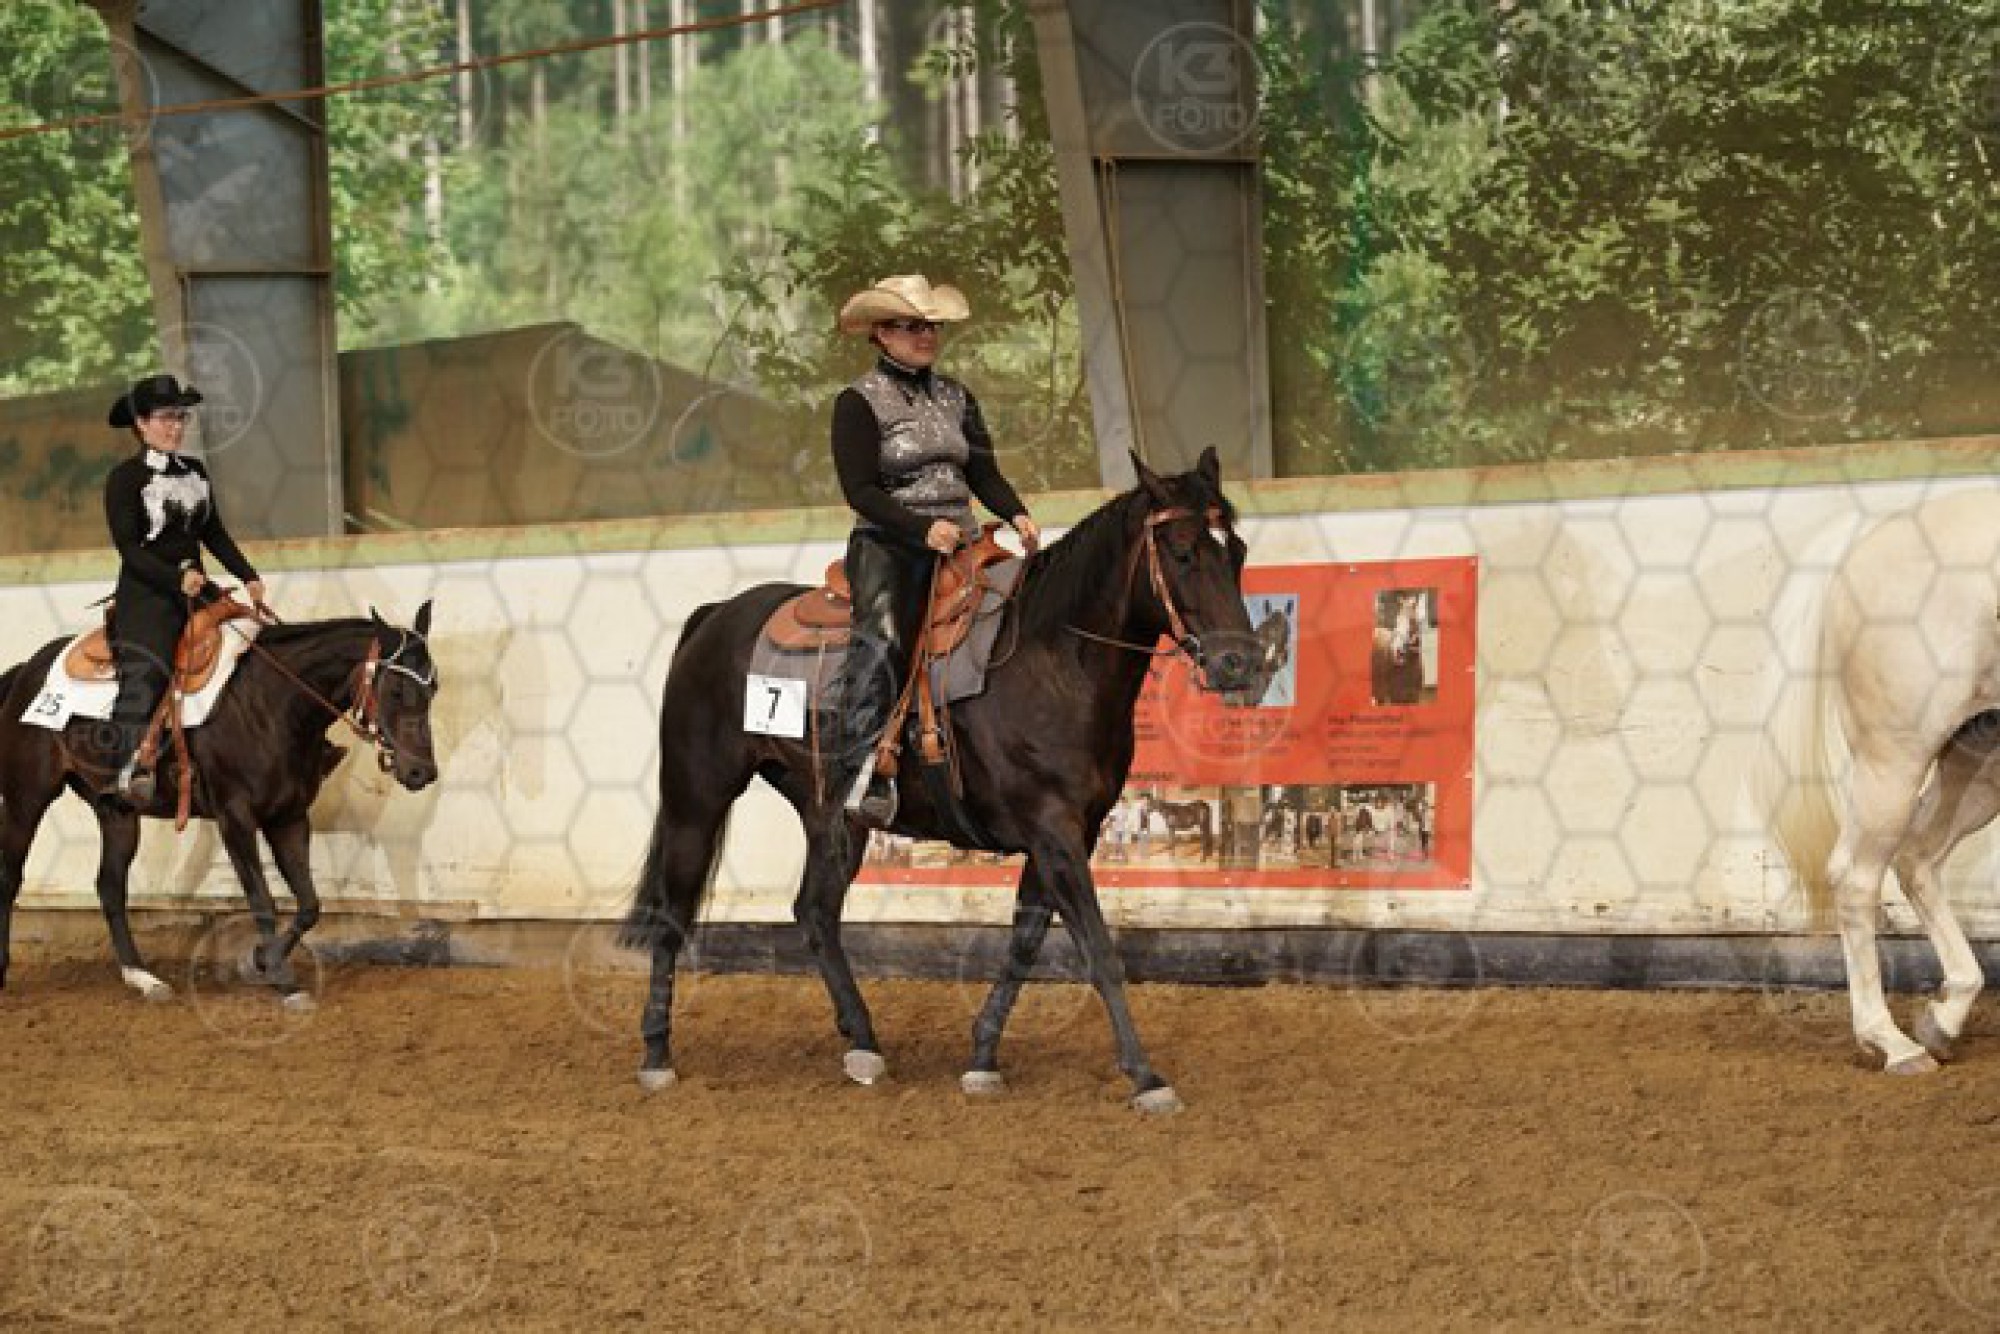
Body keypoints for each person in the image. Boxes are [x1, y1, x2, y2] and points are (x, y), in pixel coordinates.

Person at [824, 275, 1040, 825]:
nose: (926, 336)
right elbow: (860, 491)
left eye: (931, 326)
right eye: (911, 326)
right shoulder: (858, 402)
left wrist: (1015, 512)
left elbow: (984, 473)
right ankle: (861, 772)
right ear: (881, 333)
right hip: (889, 544)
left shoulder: (957, 397)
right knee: (884, 640)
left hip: (963, 541)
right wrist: (921, 530)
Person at [100, 373, 264, 804]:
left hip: (196, 588)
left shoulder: (195, 472)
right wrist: (175, 578)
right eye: (165, 418)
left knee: (251, 643)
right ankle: (121, 768)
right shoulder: (125, 478)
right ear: (141, 424)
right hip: (149, 596)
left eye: (180, 417)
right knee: (150, 669)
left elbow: (214, 533)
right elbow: (129, 549)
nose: (175, 427)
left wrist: (248, 575)